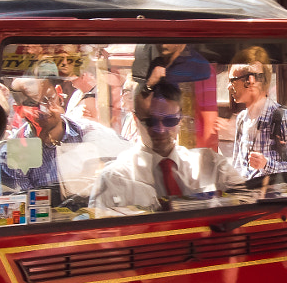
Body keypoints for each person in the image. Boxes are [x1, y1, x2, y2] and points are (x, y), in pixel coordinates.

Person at [88, 80, 245, 211]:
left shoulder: (211, 164)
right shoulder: (113, 180)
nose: (160, 129)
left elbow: (249, 199)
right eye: (150, 121)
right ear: (135, 120)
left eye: (170, 120)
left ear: (181, 119)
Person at [226, 49, 287, 190]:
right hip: (246, 198)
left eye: (232, 80)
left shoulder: (286, 118)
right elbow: (237, 167)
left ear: (250, 81)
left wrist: (266, 164)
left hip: (272, 202)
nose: (228, 86)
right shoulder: (242, 119)